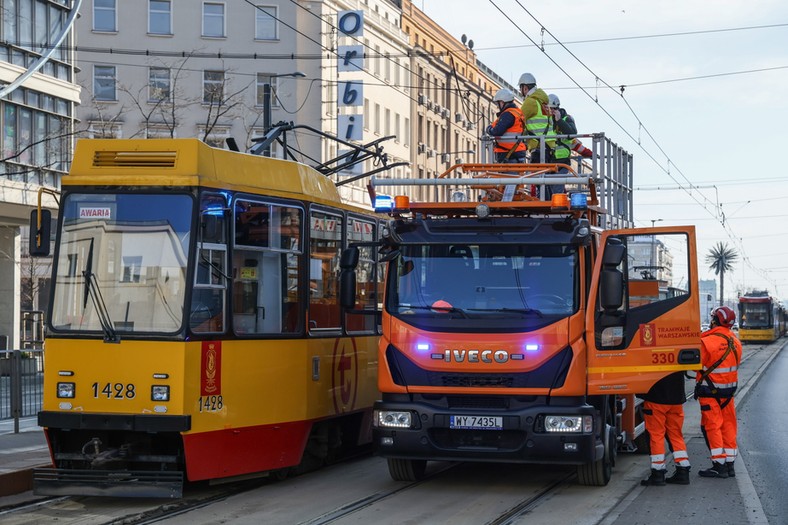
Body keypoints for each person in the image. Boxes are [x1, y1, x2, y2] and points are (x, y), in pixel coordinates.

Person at [696, 305, 742, 479]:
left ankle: (719, 465)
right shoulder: (735, 341)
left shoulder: (707, 341)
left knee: (712, 427)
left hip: (710, 392)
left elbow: (696, 364)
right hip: (728, 394)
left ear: (715, 320)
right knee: (729, 425)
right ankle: (730, 464)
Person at [639, 372, 692, 486]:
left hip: (656, 398)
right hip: (676, 399)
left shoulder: (653, 354)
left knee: (655, 434)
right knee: (675, 434)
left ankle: (658, 473)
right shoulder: (674, 353)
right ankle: (683, 471)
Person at [485, 89, 526, 164]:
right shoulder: (517, 113)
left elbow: (497, 131)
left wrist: (489, 129)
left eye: (498, 103)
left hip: (509, 153)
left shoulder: (508, 115)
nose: (497, 106)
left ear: (502, 102)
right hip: (517, 151)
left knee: (509, 175)